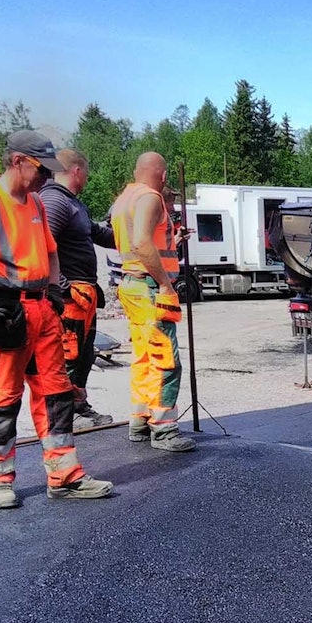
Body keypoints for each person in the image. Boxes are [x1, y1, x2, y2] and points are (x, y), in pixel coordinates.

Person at [0, 130, 114, 509]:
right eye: (40, 170)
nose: (47, 178)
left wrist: (52, 291)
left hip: (40, 311)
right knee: (1, 399)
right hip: (3, 312)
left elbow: (50, 251)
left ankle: (64, 475)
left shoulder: (33, 202)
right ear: (17, 161)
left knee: (56, 394)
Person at [109, 152, 195, 452]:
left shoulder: (125, 199)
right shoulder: (150, 197)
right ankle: (164, 428)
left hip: (133, 285)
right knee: (165, 359)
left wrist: (174, 240)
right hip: (149, 287)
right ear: (163, 174)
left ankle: (140, 419)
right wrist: (165, 284)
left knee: (144, 357)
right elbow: (142, 243)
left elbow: (144, 241)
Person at [38, 148, 117, 427]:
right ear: (76, 171)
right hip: (70, 295)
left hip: (83, 295)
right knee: (69, 355)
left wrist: (136, 232)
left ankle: (79, 405)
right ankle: (65, 415)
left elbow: (101, 235)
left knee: (84, 355)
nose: (87, 178)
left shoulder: (74, 204)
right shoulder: (55, 201)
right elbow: (41, 245)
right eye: (86, 172)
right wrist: (62, 288)